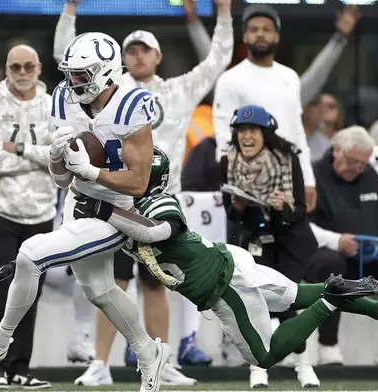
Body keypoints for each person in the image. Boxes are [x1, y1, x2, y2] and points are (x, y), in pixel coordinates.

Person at [70, 146, 378, 372]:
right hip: (232, 262)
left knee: (266, 357)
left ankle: (331, 301)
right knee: (300, 295)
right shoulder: (132, 206)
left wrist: (102, 208)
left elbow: (149, 232)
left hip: (221, 284)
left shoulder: (159, 204)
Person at [0, 31, 171, 392]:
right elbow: (60, 180)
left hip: (114, 210)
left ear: (104, 72)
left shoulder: (133, 104)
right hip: (78, 202)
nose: (74, 81)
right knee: (98, 290)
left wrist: (90, 171)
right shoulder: (62, 98)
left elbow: (137, 182)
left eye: (82, 74)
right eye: (70, 73)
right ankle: (149, 353)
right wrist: (57, 157)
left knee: (30, 255)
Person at [54, 0, 233, 380]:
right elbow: (65, 59)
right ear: (119, 59)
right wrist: (69, 10)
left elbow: (218, 60)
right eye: (131, 50)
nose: (137, 56)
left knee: (157, 283)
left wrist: (224, 13)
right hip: (113, 197)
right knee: (112, 281)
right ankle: (100, 363)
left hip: (158, 201)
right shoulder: (105, 93)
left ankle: (163, 364)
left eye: (144, 50)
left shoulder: (178, 90)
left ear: (158, 55)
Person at [0, 44, 57, 390]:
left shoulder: (57, 108)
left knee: (30, 290)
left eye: (28, 67)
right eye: (15, 67)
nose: (21, 73)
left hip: (40, 211)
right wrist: (42, 156)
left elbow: (61, 156)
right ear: (7, 70)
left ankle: (20, 366)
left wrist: (19, 147)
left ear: (38, 68)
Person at [220, 105, 319, 388]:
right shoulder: (228, 161)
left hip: (289, 241)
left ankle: (303, 364)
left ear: (265, 134)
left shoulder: (287, 158)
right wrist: (238, 207)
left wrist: (281, 208)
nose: (246, 137)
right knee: (258, 303)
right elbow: (230, 211)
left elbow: (300, 209)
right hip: (253, 241)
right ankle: (259, 369)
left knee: (285, 300)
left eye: (253, 131)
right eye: (241, 131)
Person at [308, 125, 378, 366]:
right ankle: (327, 346)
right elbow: (302, 226)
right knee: (332, 265)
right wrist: (335, 241)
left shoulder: (368, 173)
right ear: (337, 151)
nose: (358, 168)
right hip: (324, 256)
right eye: (353, 161)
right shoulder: (312, 174)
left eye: (363, 163)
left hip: (367, 255)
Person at [214, 5, 318, 213]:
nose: (260, 33)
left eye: (266, 29)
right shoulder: (230, 80)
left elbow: (297, 131)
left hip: (289, 176)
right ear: (244, 37)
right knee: (247, 243)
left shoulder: (290, 77)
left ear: (276, 36)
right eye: (253, 29)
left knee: (292, 241)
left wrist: (308, 179)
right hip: (248, 181)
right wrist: (235, 183)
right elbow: (223, 135)